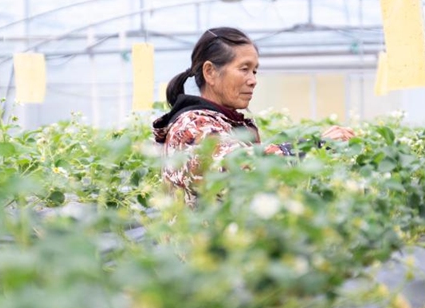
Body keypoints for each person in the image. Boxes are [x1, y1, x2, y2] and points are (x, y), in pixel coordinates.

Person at [152, 27, 355, 206]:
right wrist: (313, 147)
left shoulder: (222, 123)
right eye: (244, 69)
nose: (253, 80)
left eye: (255, 71)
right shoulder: (192, 126)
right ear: (210, 72)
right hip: (199, 250)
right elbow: (242, 169)